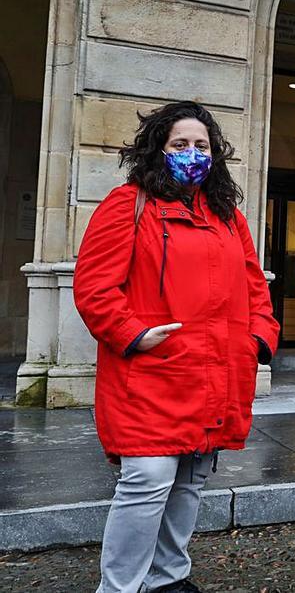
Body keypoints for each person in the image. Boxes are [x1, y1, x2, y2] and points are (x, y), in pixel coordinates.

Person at [74, 101, 279, 593]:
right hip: (151, 374)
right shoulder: (129, 204)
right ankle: (120, 587)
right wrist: (134, 334)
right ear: (158, 150)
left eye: (202, 145)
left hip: (215, 371)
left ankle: (169, 578)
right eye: (180, 144)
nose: (192, 153)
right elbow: (95, 287)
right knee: (146, 482)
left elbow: (256, 289)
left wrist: (259, 341)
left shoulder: (228, 216)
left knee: (189, 482)